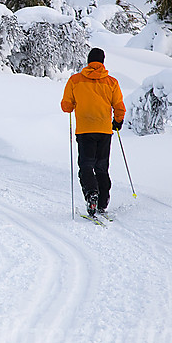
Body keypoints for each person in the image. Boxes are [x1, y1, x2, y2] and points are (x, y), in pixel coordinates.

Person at [61, 47, 126, 216]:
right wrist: (117, 122)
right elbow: (119, 107)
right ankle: (102, 203)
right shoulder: (112, 82)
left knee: (86, 166)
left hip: (84, 131)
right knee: (102, 167)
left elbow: (65, 106)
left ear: (88, 61)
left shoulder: (75, 80)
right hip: (104, 131)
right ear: (103, 62)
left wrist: (75, 104)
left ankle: (91, 194)